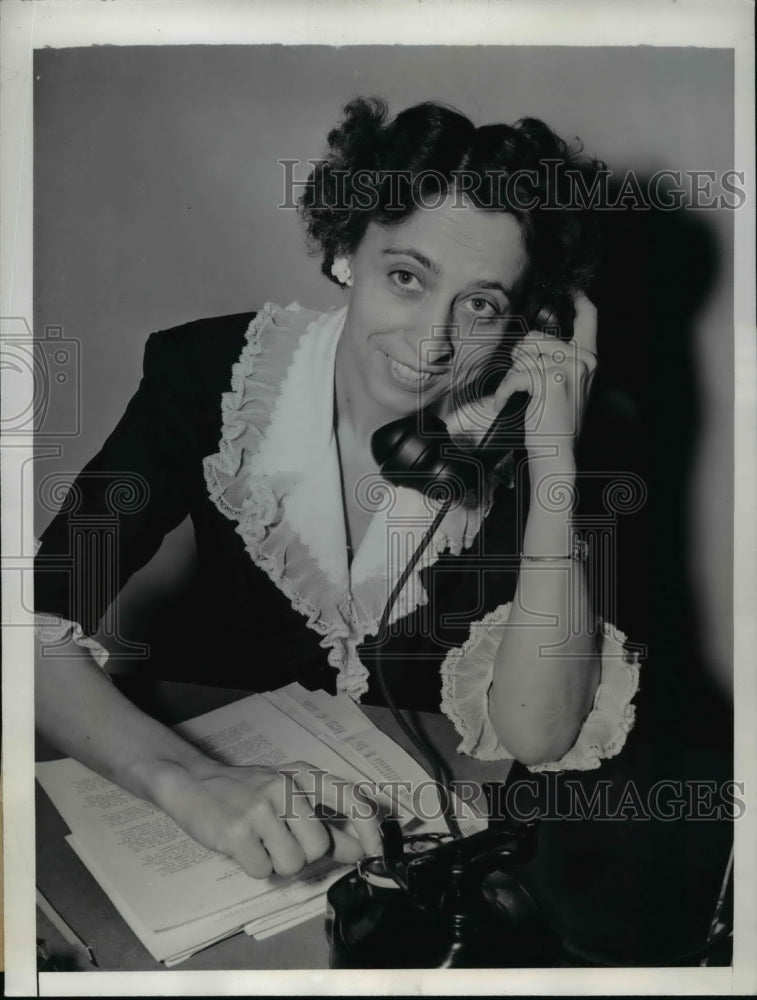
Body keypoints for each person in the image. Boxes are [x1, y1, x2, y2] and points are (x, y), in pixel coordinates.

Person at [34, 98, 640, 882]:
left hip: (427, 856)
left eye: (482, 305)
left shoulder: (515, 437)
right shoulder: (212, 374)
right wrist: (188, 780)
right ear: (346, 252)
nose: (433, 343)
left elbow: (537, 736)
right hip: (214, 822)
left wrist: (555, 454)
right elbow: (29, 621)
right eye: (406, 277)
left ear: (531, 322)